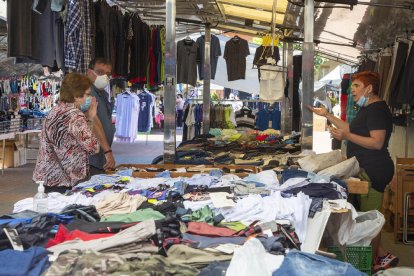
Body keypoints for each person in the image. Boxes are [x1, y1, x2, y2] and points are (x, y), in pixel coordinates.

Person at [308, 71, 398, 272]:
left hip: (375, 170)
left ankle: (375, 263)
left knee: (371, 220)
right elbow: (351, 128)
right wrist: (327, 115)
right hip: (365, 168)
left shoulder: (376, 110)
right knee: (363, 216)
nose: (352, 90)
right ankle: (383, 255)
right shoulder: (367, 108)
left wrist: (347, 135)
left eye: (356, 86)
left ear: (369, 88)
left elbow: (377, 143)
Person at [33, 73, 100, 193]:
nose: (89, 99)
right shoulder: (75, 116)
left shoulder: (55, 111)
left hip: (48, 176)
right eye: (87, 94)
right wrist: (91, 118)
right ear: (76, 95)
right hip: (65, 180)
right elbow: (93, 148)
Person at [86, 58, 116, 175]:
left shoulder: (102, 94)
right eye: (100, 72)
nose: (104, 77)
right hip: (90, 160)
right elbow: (94, 122)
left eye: (107, 74)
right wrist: (108, 151)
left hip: (99, 158)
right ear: (89, 72)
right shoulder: (87, 93)